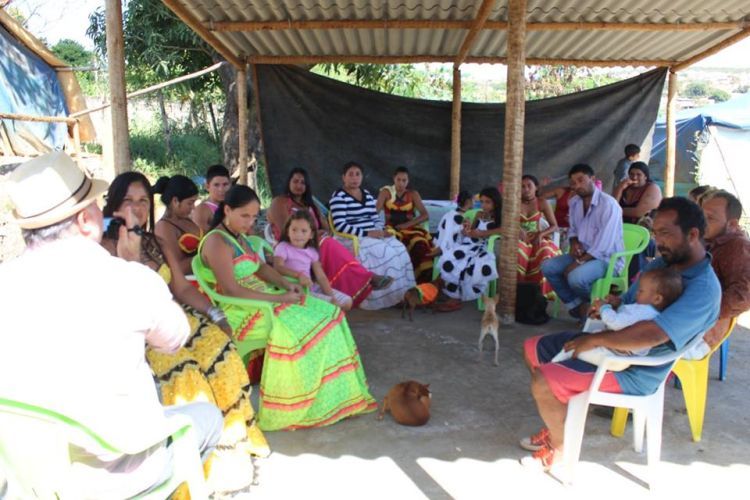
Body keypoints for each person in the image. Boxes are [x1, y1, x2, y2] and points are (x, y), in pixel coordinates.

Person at [0, 152, 222, 498]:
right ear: (88, 220)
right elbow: (174, 337)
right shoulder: (128, 279)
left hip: (30, 473)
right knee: (208, 418)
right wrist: (132, 263)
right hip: (117, 468)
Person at [520, 197, 721, 470]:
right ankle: (563, 422)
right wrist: (606, 306)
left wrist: (593, 339)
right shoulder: (661, 264)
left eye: (665, 233)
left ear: (693, 234)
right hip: (612, 346)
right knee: (533, 348)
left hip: (636, 370)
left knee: (544, 380)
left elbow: (653, 334)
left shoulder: (704, 289)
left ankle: (559, 446)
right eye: (655, 233)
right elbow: (628, 302)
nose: (658, 241)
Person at [101, 172, 269, 493]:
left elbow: (180, 288)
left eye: (142, 201)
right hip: (136, 330)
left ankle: (229, 443)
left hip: (176, 317)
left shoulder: (155, 241)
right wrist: (130, 259)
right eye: (128, 200)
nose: (136, 208)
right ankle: (194, 462)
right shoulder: (102, 245)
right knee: (186, 372)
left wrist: (215, 313)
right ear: (113, 204)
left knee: (223, 350)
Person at [200, 185, 376, 430]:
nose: (250, 223)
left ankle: (332, 395)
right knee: (319, 324)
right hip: (244, 309)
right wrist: (280, 298)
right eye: (245, 216)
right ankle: (305, 399)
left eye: (253, 216)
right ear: (227, 210)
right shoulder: (217, 242)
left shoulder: (238, 237)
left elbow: (261, 268)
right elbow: (231, 290)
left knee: (333, 313)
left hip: (264, 298)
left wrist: (285, 284)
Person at [268, 167, 388, 307]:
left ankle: (348, 287)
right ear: (288, 182)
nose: (299, 185)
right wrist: (311, 234)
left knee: (329, 241)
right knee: (328, 243)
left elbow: (326, 227)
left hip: (313, 242)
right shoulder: (280, 202)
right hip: (291, 243)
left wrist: (320, 232)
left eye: (303, 182)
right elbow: (285, 229)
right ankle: (367, 277)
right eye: (295, 181)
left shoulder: (310, 204)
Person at [551, 268, 683, 369]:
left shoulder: (645, 312)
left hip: (615, 357)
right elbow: (627, 319)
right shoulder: (646, 311)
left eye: (641, 291)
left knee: (573, 348)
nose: (636, 293)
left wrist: (604, 308)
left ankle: (553, 366)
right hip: (614, 353)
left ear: (657, 299)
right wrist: (619, 305)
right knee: (577, 345)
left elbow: (617, 323)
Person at [329, 161, 416, 309]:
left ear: (362, 177)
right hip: (351, 237)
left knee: (399, 248)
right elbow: (340, 225)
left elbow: (374, 218)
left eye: (358, 174)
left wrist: (382, 231)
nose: (354, 178)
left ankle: (402, 295)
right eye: (350, 174)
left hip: (372, 234)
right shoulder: (339, 197)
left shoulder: (367, 195)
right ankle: (382, 297)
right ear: (343, 177)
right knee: (385, 252)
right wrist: (368, 233)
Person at [541, 164, 624, 319]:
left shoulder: (609, 205)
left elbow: (603, 246)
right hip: (583, 254)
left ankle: (592, 309)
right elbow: (573, 229)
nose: (577, 185)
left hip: (607, 259)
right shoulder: (575, 203)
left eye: (581, 180)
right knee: (548, 266)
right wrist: (573, 243)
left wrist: (578, 262)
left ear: (592, 179)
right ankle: (579, 307)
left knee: (575, 277)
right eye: (573, 183)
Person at [685, 190, 750, 358]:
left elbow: (744, 296)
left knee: (629, 345)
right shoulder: (708, 240)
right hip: (683, 322)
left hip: (699, 334)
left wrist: (699, 313)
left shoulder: (738, 247)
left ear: (732, 224)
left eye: (710, 218)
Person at [273, 210, 353, 311]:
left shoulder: (312, 252)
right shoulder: (283, 247)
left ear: (311, 235)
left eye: (304, 231)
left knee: (347, 302)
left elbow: (321, 277)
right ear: (288, 231)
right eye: (294, 230)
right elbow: (278, 267)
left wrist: (332, 296)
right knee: (332, 306)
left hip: (311, 287)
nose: (298, 234)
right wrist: (298, 275)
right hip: (294, 289)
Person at [437, 187, 502, 301]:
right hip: (471, 243)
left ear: (495, 202)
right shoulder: (479, 214)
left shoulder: (500, 217)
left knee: (471, 265)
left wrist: (483, 233)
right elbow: (472, 231)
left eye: (488, 202)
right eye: (481, 202)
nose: (484, 205)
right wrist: (466, 230)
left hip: (485, 246)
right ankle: (452, 293)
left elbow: (503, 229)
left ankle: (458, 296)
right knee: (450, 258)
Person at [376, 166, 435, 282]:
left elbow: (425, 215)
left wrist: (407, 225)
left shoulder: (413, 194)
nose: (401, 183)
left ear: (408, 181)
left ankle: (421, 283)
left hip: (411, 229)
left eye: (404, 180)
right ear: (394, 179)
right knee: (391, 248)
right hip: (391, 228)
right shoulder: (386, 192)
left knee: (420, 245)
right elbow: (375, 212)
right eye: (399, 179)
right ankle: (397, 282)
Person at [518, 175, 561, 299]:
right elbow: (506, 222)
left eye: (529, 186)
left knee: (545, 252)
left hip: (537, 237)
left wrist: (541, 234)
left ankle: (540, 296)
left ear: (536, 187)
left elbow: (554, 226)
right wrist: (517, 229)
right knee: (518, 252)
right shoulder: (514, 203)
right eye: (522, 186)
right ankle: (518, 292)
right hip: (520, 239)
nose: (526, 189)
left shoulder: (541, 202)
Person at [153, 175, 202, 276]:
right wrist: (204, 256)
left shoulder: (187, 219)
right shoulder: (164, 227)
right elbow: (177, 268)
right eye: (190, 203)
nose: (193, 207)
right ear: (175, 201)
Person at [435, 189, 474, 256]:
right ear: (468, 201)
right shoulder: (464, 219)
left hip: (436, 244)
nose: (474, 202)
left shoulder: (449, 214)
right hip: (449, 250)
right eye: (473, 200)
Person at [193, 164, 231, 233]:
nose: (221, 189)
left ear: (230, 185)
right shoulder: (201, 210)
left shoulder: (233, 206)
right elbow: (202, 238)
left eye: (225, 184)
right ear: (207, 187)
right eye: (216, 185)